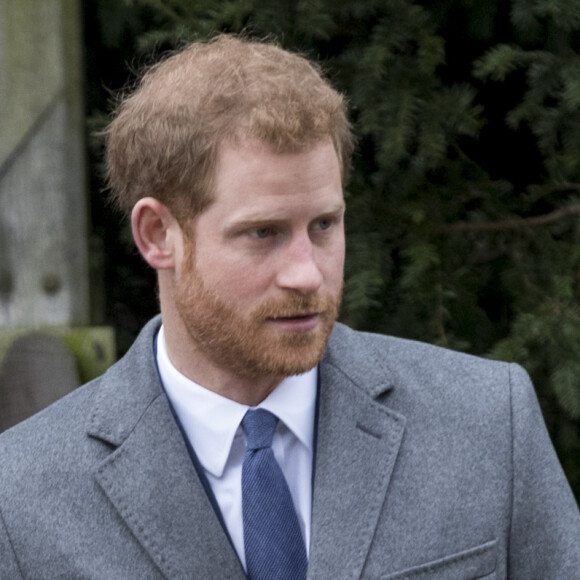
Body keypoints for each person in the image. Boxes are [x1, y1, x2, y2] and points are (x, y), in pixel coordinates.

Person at [0, 34, 579, 580]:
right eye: (263, 233)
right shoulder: (21, 496)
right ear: (158, 234)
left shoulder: (486, 425)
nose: (308, 273)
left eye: (324, 224)